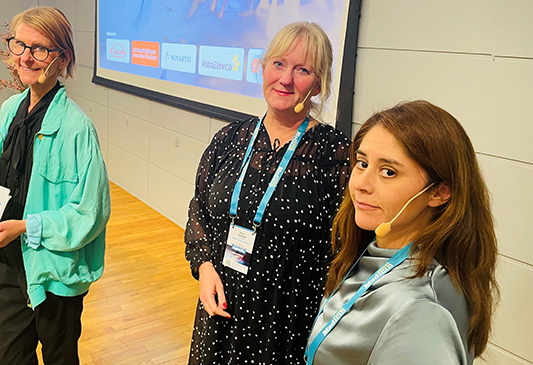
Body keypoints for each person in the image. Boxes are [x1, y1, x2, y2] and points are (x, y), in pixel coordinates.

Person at [0, 7, 110, 365]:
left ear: (61, 59)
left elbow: (90, 214)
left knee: (59, 359)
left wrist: (26, 227)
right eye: (20, 45)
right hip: (7, 265)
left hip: (53, 275)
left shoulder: (79, 129)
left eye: (40, 49)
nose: (26, 57)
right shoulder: (11, 109)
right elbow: (0, 182)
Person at [185, 22, 350, 364]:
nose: (286, 79)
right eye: (278, 64)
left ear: (318, 83)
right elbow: (199, 208)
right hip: (220, 305)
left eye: (302, 69)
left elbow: (346, 245)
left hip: (284, 320)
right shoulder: (229, 139)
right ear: (263, 68)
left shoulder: (335, 155)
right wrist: (203, 267)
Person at [305, 100, 499, 365]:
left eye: (388, 172)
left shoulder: (420, 309)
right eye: (362, 163)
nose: (361, 183)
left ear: (439, 192)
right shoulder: (374, 252)